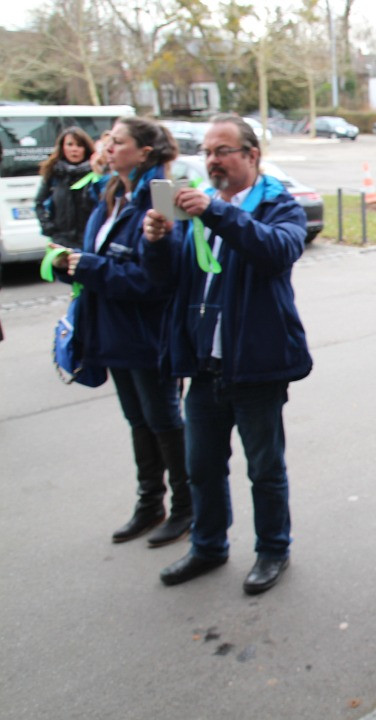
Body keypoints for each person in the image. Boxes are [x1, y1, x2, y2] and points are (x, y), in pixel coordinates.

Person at [142, 115, 312, 595]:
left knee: (264, 469)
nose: (212, 161)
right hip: (205, 366)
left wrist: (215, 214)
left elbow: (277, 252)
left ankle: (273, 550)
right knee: (202, 467)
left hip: (257, 365)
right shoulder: (200, 206)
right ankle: (209, 546)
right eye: (207, 153)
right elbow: (167, 281)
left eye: (223, 151)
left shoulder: (278, 205)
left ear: (252, 156)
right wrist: (156, 242)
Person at [50, 117, 191, 547]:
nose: (107, 148)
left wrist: (90, 267)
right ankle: (150, 504)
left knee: (163, 418)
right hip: (112, 331)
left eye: (118, 142)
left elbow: (158, 281)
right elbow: (98, 256)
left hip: (148, 334)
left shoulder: (162, 197)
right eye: (108, 141)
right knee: (137, 420)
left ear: (144, 152)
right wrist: (71, 264)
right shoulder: (110, 193)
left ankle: (187, 507)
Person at [35, 127, 98, 249]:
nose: (74, 149)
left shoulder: (95, 174)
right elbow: (39, 203)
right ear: (62, 147)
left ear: (85, 148)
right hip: (61, 239)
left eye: (79, 145)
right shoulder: (54, 173)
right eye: (70, 144)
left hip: (88, 239)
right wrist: (48, 227)